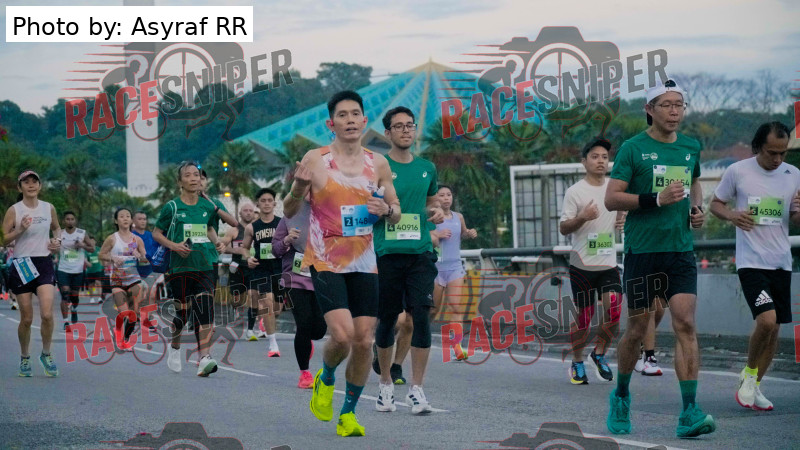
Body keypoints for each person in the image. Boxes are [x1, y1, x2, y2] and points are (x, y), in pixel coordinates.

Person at [284, 90, 401, 437]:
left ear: (364, 121)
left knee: (364, 340)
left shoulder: (378, 164)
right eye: (342, 115)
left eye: (355, 114)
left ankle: (347, 415)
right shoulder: (316, 159)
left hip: (364, 261)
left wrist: (387, 210)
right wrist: (298, 188)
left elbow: (396, 212)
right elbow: (288, 210)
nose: (349, 120)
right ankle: (327, 376)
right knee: (342, 335)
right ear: (330, 123)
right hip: (325, 259)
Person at [604, 79, 715, 438]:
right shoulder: (633, 149)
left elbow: (694, 183)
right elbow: (612, 198)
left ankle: (689, 411)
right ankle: (621, 396)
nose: (674, 111)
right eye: (666, 105)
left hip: (680, 251)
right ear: (649, 109)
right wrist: (655, 200)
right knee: (637, 329)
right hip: (643, 252)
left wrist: (696, 208)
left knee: (685, 323)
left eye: (679, 105)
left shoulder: (690, 146)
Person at [710, 121, 800, 411]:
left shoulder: (794, 174)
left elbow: (795, 217)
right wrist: (733, 216)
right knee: (766, 320)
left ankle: (755, 385)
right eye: (772, 153)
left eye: (783, 153)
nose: (777, 159)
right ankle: (748, 375)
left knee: (775, 330)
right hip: (751, 262)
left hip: (781, 262)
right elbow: (716, 204)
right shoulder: (738, 171)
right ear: (758, 147)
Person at [371, 106, 445, 415]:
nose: (405, 130)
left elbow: (431, 204)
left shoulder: (427, 167)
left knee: (420, 316)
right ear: (387, 133)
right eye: (398, 126)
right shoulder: (378, 166)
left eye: (410, 125)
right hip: (388, 253)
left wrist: (435, 212)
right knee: (389, 318)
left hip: (421, 253)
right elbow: (366, 207)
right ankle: (385, 383)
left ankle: (417, 389)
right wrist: (381, 211)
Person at [558, 138, 624, 384]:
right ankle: (577, 361)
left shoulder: (614, 189)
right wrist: (583, 216)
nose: (600, 161)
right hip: (582, 264)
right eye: (595, 157)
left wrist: (622, 217)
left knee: (614, 310)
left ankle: (599, 354)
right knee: (584, 318)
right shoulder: (575, 191)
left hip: (607, 263)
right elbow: (564, 228)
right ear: (584, 162)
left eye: (604, 157)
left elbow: (622, 211)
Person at [152, 161, 227, 377]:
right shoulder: (172, 207)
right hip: (180, 269)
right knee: (182, 314)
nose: (193, 178)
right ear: (180, 182)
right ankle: (175, 346)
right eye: (188, 175)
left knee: (205, 309)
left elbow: (209, 227)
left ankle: (204, 357)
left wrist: (217, 242)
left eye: (196, 174)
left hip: (204, 266)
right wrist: (174, 246)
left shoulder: (207, 206)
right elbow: (157, 233)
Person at [3, 170, 62, 377]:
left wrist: (57, 241)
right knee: (27, 318)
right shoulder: (14, 210)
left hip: (43, 262)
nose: (31, 185)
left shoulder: (48, 208)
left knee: (47, 314)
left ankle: (46, 354)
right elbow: (3, 239)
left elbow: (57, 228)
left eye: (34, 182)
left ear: (40, 186)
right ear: (19, 187)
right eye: (26, 182)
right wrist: (20, 230)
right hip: (23, 264)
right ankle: (25, 357)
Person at [272, 200, 327, 388]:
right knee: (303, 324)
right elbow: (275, 249)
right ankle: (305, 373)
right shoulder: (290, 215)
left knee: (319, 330)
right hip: (295, 278)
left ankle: (305, 343)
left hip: (321, 277)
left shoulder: (329, 211)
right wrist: (287, 240)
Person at [431, 185, 477, 362]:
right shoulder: (431, 217)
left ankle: (457, 347)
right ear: (436, 198)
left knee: (456, 307)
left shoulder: (459, 217)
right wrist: (437, 234)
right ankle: (417, 336)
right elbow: (423, 235)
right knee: (432, 310)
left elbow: (462, 234)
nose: (446, 198)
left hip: (455, 267)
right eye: (442, 195)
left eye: (448, 195)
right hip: (436, 268)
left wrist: (469, 233)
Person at [239, 188, 283, 356]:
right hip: (261, 269)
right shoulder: (252, 227)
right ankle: (273, 344)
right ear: (258, 204)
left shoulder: (282, 224)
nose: (266, 203)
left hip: (279, 268)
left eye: (269, 200)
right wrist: (248, 258)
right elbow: (244, 248)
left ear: (274, 203)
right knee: (266, 302)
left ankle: (266, 323)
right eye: (263, 200)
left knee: (277, 308)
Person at [99, 208, 149, 344]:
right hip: (117, 280)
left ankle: (125, 338)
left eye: (128, 216)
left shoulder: (137, 239)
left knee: (133, 315)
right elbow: (101, 254)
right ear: (116, 221)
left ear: (131, 220)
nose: (125, 218)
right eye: (121, 216)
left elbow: (145, 260)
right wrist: (112, 258)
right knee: (125, 313)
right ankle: (119, 334)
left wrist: (140, 256)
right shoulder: (111, 239)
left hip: (134, 279)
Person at [225, 202, 259, 339]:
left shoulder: (257, 228)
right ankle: (234, 308)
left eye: (251, 210)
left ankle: (250, 329)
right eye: (245, 210)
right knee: (237, 300)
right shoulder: (234, 230)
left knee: (253, 295)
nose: (248, 213)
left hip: (253, 267)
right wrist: (237, 250)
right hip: (237, 268)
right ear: (240, 213)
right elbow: (223, 247)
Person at [56, 211, 92, 331]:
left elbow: (92, 249)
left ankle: (74, 309)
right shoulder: (60, 233)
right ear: (63, 221)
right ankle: (66, 322)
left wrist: (82, 245)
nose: (70, 221)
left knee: (74, 295)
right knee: (65, 294)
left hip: (77, 270)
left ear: (75, 221)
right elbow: (54, 247)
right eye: (67, 219)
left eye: (72, 219)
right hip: (63, 269)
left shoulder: (82, 233)